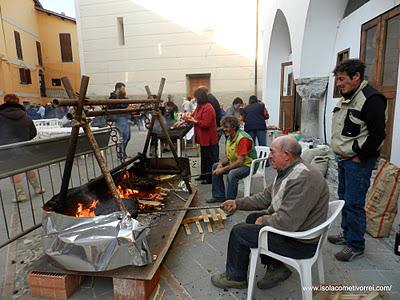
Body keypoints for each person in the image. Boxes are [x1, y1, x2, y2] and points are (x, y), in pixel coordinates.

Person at [211, 135, 329, 290]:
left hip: (301, 243)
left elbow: (287, 222)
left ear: (286, 155)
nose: (269, 156)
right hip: (297, 230)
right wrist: (237, 203)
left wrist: (265, 220)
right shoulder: (290, 170)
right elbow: (265, 196)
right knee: (253, 217)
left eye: (272, 152)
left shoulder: (302, 178)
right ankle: (276, 267)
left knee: (239, 232)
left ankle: (235, 278)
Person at [328, 59, 387, 262]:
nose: (339, 84)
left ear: (356, 77)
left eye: (342, 79)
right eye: (337, 79)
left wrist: (360, 157)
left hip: (358, 162)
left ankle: (355, 245)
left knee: (354, 202)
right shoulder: (347, 97)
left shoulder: (371, 99)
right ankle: (347, 234)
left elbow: (378, 134)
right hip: (344, 159)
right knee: (345, 198)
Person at [0, 94, 45, 202]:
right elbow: (33, 133)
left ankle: (20, 194)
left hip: (7, 148)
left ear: (5, 102)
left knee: (14, 170)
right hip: (24, 147)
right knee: (28, 167)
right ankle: (38, 188)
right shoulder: (25, 116)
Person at [207, 116, 257, 203]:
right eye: (223, 127)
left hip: (248, 165)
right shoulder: (230, 137)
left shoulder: (243, 138)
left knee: (232, 174)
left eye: (226, 127)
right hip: (237, 162)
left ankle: (230, 203)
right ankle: (218, 196)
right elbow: (228, 156)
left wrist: (223, 169)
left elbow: (240, 162)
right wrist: (220, 164)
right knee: (215, 166)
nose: (224, 129)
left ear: (233, 127)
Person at [187, 87, 219, 184]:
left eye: (196, 98)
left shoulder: (208, 107)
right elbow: (192, 115)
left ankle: (209, 178)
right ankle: (203, 175)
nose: (195, 99)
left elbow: (205, 124)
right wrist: (186, 118)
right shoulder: (199, 107)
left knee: (209, 159)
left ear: (200, 98)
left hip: (209, 138)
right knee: (204, 157)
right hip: (202, 138)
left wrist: (194, 121)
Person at [109, 82, 131, 160]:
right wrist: (126, 107)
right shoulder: (113, 97)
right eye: (123, 88)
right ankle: (121, 155)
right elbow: (118, 106)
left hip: (124, 119)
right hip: (118, 119)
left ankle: (123, 153)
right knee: (122, 138)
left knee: (127, 137)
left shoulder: (121, 97)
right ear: (118, 88)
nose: (124, 90)